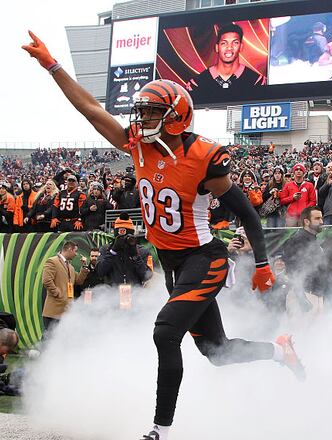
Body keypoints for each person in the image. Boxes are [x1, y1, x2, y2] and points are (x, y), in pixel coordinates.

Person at [23, 32, 300, 439]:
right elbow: (89, 109)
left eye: (151, 113)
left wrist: (260, 263)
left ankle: (159, 431)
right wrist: (53, 66)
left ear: (175, 116)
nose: (141, 120)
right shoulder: (138, 147)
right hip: (173, 264)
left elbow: (247, 214)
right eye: (142, 112)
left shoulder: (204, 157)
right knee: (216, 352)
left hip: (204, 259)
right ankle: (280, 351)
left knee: (165, 332)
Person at [186, 23, 266, 102]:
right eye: (224, 43)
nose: (229, 47)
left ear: (241, 47)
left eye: (235, 43)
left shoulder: (256, 81)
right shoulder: (196, 84)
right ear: (217, 48)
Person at [41, 240, 88, 332]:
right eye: (75, 251)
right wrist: (58, 293)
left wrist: (84, 267)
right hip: (53, 311)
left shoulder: (70, 267)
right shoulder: (52, 261)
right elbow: (46, 281)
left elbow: (78, 281)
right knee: (49, 338)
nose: (76, 254)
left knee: (59, 339)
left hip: (65, 311)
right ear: (70, 249)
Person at [96, 215, 153, 286]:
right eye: (119, 237)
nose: (123, 240)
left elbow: (147, 276)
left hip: (136, 293)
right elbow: (100, 272)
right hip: (111, 293)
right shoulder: (105, 249)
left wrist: (135, 256)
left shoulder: (142, 251)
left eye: (126, 237)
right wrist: (113, 251)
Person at [280, 163, 316, 227]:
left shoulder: (309, 185)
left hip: (304, 216)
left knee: (304, 234)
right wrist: (292, 198)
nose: (298, 171)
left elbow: (313, 201)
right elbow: (282, 200)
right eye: (296, 170)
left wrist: (305, 210)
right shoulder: (288, 185)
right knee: (290, 235)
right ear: (294, 172)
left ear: (304, 173)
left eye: (301, 170)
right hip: (291, 216)